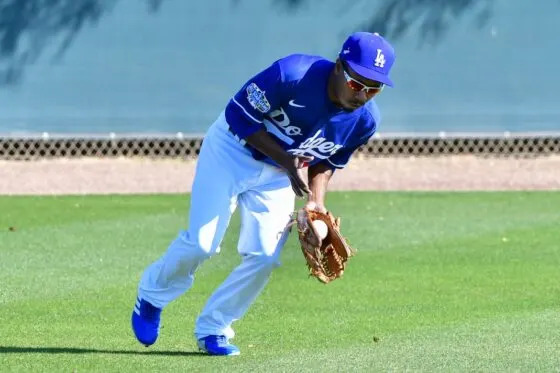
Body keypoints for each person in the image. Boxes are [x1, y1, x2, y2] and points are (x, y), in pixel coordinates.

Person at [131, 31, 395, 356]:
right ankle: (152, 295)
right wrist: (286, 160)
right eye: (358, 83)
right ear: (339, 67)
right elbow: (237, 116)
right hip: (231, 150)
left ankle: (215, 328)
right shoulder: (292, 74)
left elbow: (328, 162)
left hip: (278, 173)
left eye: (375, 88)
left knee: (265, 257)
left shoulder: (365, 120)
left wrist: (316, 203)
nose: (363, 94)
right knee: (202, 244)